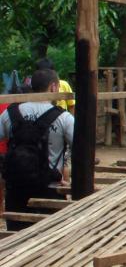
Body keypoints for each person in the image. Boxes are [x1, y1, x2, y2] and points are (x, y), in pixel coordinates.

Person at [0, 69, 73, 231]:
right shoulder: (64, 118)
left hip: (16, 189)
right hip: (50, 189)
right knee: (49, 241)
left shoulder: (10, 113)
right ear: (53, 87)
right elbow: (83, 150)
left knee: (14, 239)